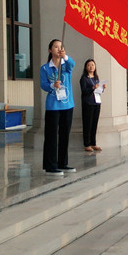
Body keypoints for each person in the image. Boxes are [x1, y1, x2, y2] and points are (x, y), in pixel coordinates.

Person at [40, 39, 76, 175]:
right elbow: (43, 84)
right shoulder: (45, 68)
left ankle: (63, 162)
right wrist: (52, 86)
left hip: (67, 104)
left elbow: (72, 64)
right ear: (50, 50)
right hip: (53, 106)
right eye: (55, 47)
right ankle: (50, 165)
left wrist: (65, 56)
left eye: (60, 47)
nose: (58, 49)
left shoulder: (65, 65)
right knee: (51, 136)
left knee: (65, 135)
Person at [79, 58, 105, 152]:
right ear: (86, 67)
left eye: (93, 65)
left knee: (94, 123)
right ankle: (87, 144)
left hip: (96, 102)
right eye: (89, 65)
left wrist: (102, 88)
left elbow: (98, 91)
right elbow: (84, 91)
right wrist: (93, 87)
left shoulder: (96, 78)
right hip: (88, 103)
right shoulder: (84, 78)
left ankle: (93, 143)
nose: (91, 67)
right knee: (87, 124)